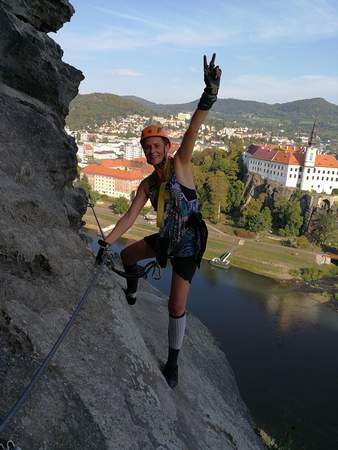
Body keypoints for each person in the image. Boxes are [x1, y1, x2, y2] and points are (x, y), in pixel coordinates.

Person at [97, 54, 221, 388]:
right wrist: (105, 242)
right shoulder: (148, 184)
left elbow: (194, 129)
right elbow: (128, 216)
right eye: (147, 147)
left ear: (166, 146)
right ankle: (132, 296)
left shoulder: (181, 164)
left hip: (188, 243)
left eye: (156, 145)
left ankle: (173, 362)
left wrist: (209, 95)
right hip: (167, 237)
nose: (151, 151)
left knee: (176, 303)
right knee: (127, 256)